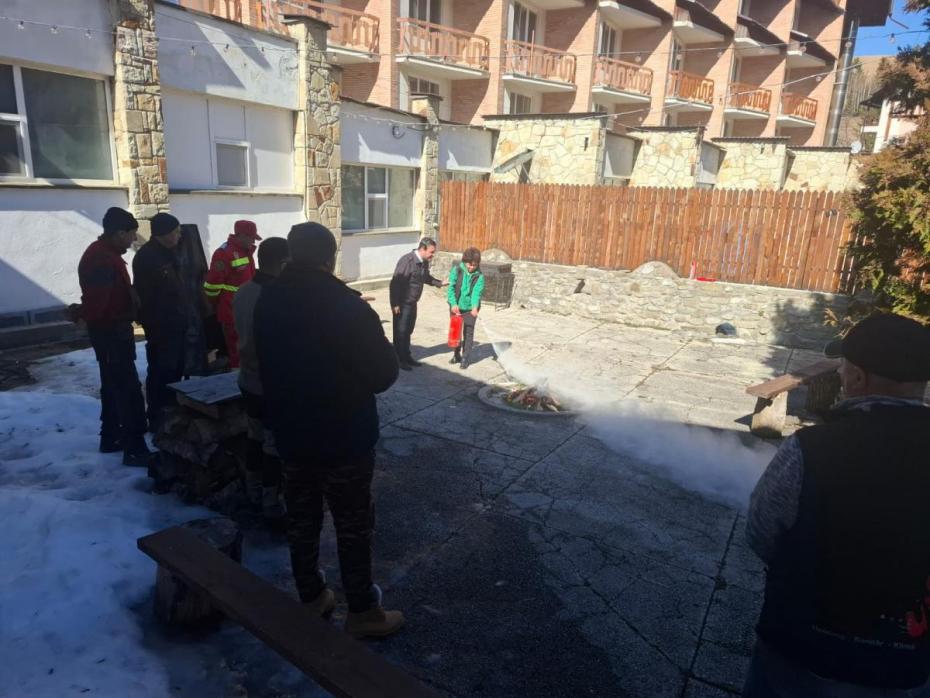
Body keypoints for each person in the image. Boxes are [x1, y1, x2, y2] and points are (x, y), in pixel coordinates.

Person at [745, 312, 930, 697]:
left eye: (844, 367)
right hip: (904, 662)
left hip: (803, 653)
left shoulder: (811, 448)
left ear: (858, 378)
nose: (841, 375)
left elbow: (761, 532)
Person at [254, 222, 403, 638]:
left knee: (302, 519)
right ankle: (362, 612)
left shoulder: (269, 300)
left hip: (292, 435)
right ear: (329, 258)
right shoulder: (347, 306)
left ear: (291, 255)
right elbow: (383, 374)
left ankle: (311, 595)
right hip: (343, 439)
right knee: (352, 525)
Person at [77, 207, 151, 467]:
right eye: (131, 234)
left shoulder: (107, 255)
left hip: (113, 331)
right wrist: (83, 314)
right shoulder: (101, 259)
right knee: (127, 390)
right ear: (119, 233)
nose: (133, 239)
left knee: (111, 386)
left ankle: (110, 437)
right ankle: (135, 449)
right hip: (110, 334)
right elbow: (98, 304)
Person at [233, 236, 290, 524]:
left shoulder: (243, 292)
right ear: (283, 263)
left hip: (247, 380)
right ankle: (271, 502)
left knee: (254, 438)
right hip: (270, 385)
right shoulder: (276, 299)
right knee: (272, 445)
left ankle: (252, 491)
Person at [133, 213, 191, 430]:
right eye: (175, 232)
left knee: (175, 369)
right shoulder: (148, 257)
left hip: (175, 322)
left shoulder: (169, 253)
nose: (179, 235)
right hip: (161, 325)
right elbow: (150, 296)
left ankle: (172, 411)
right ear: (163, 234)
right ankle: (158, 416)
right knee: (161, 371)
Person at [203, 220, 261, 368]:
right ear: (241, 235)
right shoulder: (224, 253)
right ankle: (236, 376)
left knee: (246, 348)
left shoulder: (246, 251)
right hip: (231, 311)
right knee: (236, 350)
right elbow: (212, 286)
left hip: (245, 309)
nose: (253, 241)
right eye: (251, 237)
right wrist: (217, 304)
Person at [389, 237, 446, 371]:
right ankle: (399, 360)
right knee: (400, 332)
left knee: (408, 330)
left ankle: (406, 356)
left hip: (412, 302)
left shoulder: (423, 262)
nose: (432, 255)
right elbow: (395, 283)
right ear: (422, 249)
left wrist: (439, 283)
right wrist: (395, 304)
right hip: (402, 303)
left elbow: (425, 277)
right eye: (431, 252)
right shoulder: (407, 261)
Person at [447, 247, 485, 370]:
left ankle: (465, 358)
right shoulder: (457, 270)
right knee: (455, 332)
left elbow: (476, 294)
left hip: (470, 309)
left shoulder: (479, 276)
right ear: (465, 261)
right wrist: (453, 304)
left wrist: (474, 307)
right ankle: (456, 354)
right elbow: (451, 288)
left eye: (475, 265)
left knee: (468, 333)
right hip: (456, 307)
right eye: (470, 264)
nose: (472, 267)